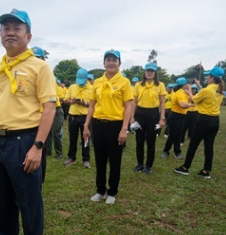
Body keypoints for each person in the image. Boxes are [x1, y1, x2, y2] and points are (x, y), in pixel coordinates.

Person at [0, 9, 56, 235]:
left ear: (28, 35)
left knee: (28, 200)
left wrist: (38, 146)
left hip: (25, 140)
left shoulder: (39, 66)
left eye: (16, 28)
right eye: (5, 28)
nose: (9, 32)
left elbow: (49, 108)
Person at [83, 49, 133, 205]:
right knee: (100, 159)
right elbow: (91, 106)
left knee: (115, 160)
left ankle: (112, 192)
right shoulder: (97, 82)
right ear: (104, 63)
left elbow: (128, 106)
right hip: (98, 124)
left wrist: (124, 128)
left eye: (114, 60)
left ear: (119, 63)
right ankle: (100, 190)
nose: (111, 62)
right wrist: (86, 125)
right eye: (108, 60)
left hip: (116, 125)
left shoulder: (124, 82)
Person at [175, 67, 225, 179]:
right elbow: (206, 94)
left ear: (212, 78)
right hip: (215, 120)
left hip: (204, 120)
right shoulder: (219, 89)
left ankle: (185, 168)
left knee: (193, 145)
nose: (207, 78)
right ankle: (206, 171)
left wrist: (189, 89)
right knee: (209, 146)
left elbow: (193, 100)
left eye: (208, 76)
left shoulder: (206, 90)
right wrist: (198, 86)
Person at [130, 63, 166, 174]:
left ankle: (149, 165)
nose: (149, 73)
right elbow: (134, 102)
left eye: (152, 71)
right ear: (144, 72)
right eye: (147, 71)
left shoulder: (160, 85)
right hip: (140, 114)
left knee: (151, 142)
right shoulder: (138, 85)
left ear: (155, 73)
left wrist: (162, 118)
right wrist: (132, 117)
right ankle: (140, 164)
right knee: (139, 141)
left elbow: (162, 103)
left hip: (153, 114)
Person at [64, 68, 91, 168]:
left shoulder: (91, 89)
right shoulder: (72, 87)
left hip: (85, 117)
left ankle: (86, 159)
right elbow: (66, 100)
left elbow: (93, 105)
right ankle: (71, 158)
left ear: (86, 78)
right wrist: (72, 101)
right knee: (72, 139)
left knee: (85, 139)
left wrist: (83, 103)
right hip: (73, 117)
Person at [161, 77, 194, 159]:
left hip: (182, 116)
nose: (189, 85)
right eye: (188, 84)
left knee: (179, 135)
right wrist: (191, 105)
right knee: (173, 135)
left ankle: (177, 152)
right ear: (184, 85)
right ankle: (166, 151)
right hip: (175, 116)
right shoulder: (180, 93)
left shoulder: (184, 92)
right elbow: (183, 105)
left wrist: (189, 90)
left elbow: (192, 99)